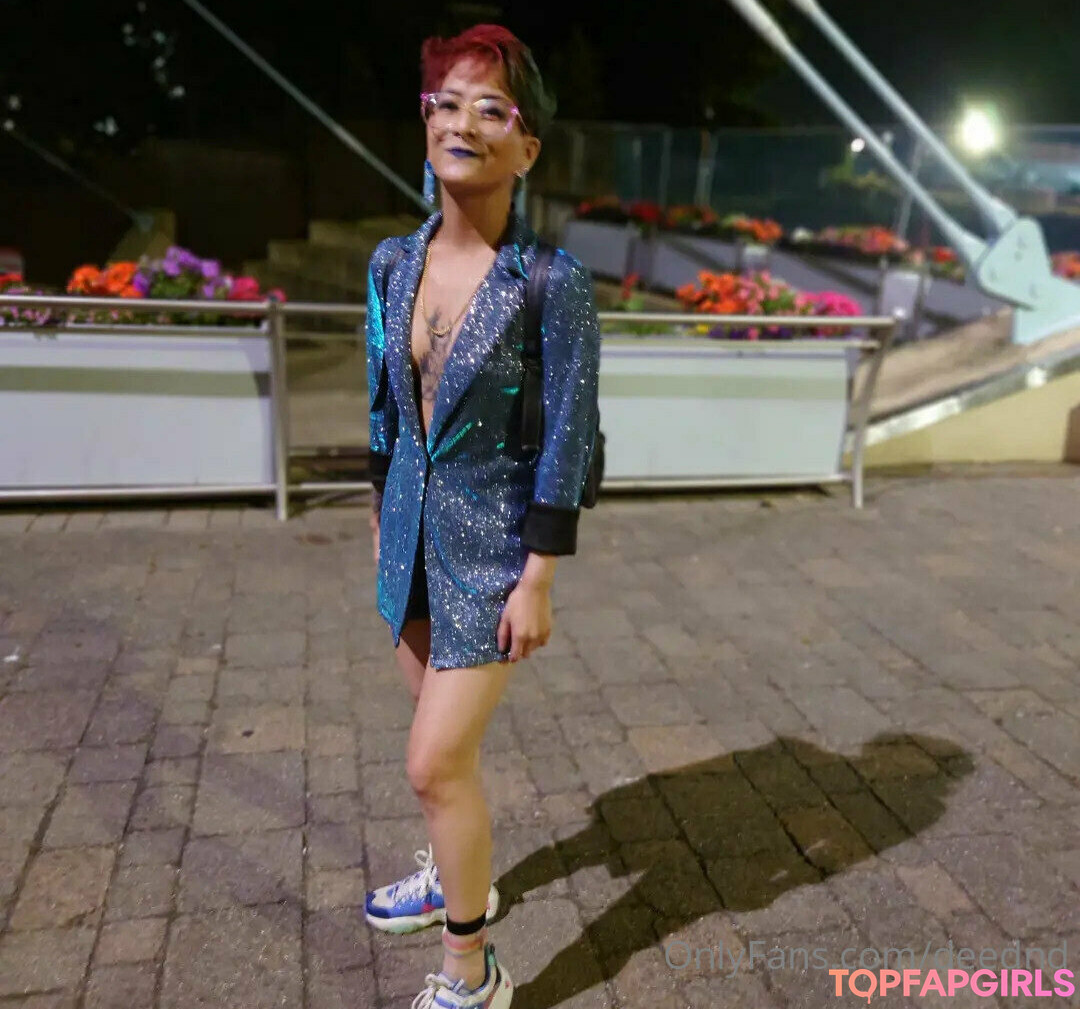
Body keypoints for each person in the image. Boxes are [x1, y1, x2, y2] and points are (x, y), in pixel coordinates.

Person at [362, 23, 601, 1009]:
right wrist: (379, 514)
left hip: (492, 555)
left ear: (525, 147)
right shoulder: (391, 263)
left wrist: (539, 576)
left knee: (433, 762)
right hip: (408, 539)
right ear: (426, 124)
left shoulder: (551, 283)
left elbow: (568, 438)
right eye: (446, 102)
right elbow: (383, 407)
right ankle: (449, 872)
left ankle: (474, 967)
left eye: (490, 108)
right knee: (441, 750)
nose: (463, 122)